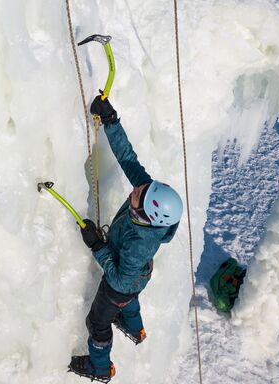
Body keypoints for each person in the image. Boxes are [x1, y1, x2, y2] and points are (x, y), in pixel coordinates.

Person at [68, 96, 183, 383]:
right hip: (138, 276)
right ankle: (135, 328)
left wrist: (97, 245)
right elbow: (128, 159)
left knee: (97, 322)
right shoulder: (147, 201)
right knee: (130, 296)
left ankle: (100, 368)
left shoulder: (138, 242)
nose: (135, 190)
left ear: (147, 215)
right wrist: (111, 120)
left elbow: (119, 280)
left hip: (122, 284)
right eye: (140, 189)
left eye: (138, 196)